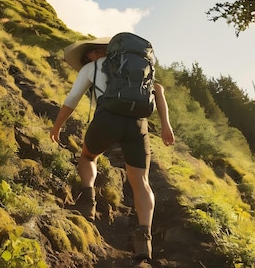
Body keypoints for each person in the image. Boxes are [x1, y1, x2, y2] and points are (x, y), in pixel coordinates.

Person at [50, 36, 175, 261]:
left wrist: (57, 126)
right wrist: (166, 126)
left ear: (96, 52)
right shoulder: (140, 69)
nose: (87, 57)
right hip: (138, 124)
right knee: (142, 182)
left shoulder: (92, 67)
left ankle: (88, 202)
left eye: (88, 54)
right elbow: (159, 91)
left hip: (107, 119)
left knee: (88, 157)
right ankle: (144, 239)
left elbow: (72, 99)